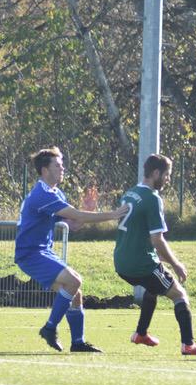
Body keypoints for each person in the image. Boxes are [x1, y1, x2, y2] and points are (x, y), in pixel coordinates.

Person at [15, 146, 130, 353]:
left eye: (62, 165)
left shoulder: (55, 193)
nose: (63, 169)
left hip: (42, 251)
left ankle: (78, 342)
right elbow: (77, 216)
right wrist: (112, 215)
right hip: (30, 254)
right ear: (45, 170)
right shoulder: (42, 194)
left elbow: (74, 223)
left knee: (75, 293)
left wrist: (88, 211)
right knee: (74, 280)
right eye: (58, 165)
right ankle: (50, 328)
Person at [114, 154, 196, 356]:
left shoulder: (130, 193)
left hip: (121, 261)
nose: (168, 179)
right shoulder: (152, 198)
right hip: (141, 263)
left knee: (153, 287)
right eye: (167, 175)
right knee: (179, 295)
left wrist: (164, 258)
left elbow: (141, 235)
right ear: (156, 173)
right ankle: (188, 344)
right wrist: (176, 264)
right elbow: (157, 240)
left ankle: (141, 333)